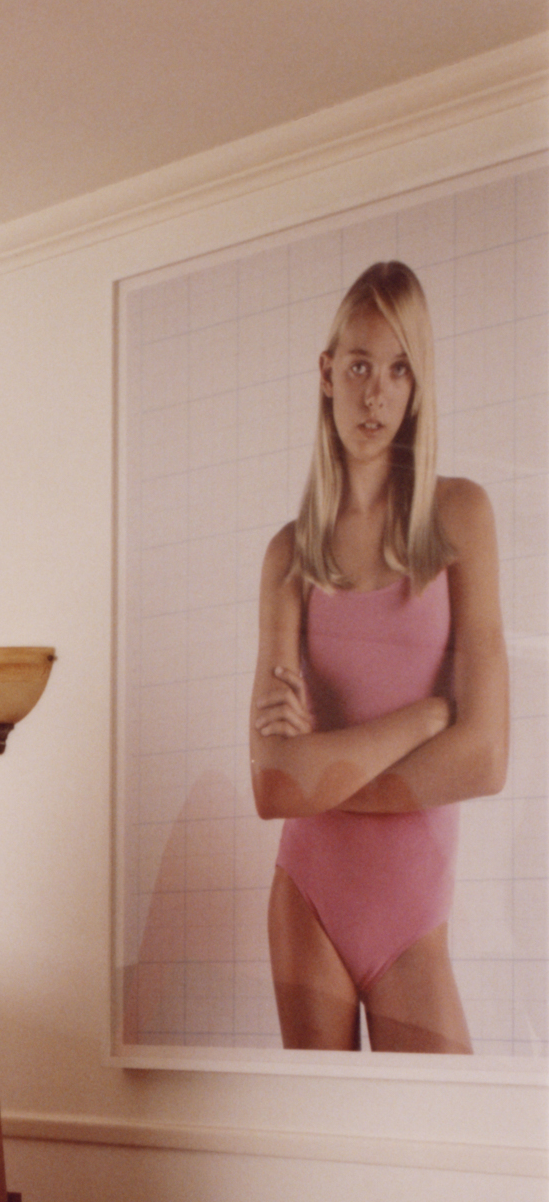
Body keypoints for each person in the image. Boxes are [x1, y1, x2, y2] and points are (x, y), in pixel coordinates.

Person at [250, 260, 507, 1052]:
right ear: (327, 374)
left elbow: (485, 759)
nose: (377, 394)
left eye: (399, 369)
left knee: (441, 1126)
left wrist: (323, 776)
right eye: (360, 366)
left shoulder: (459, 516)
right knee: (320, 1128)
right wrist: (421, 722)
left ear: (418, 384)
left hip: (411, 916)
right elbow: (271, 786)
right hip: (309, 896)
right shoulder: (289, 559)